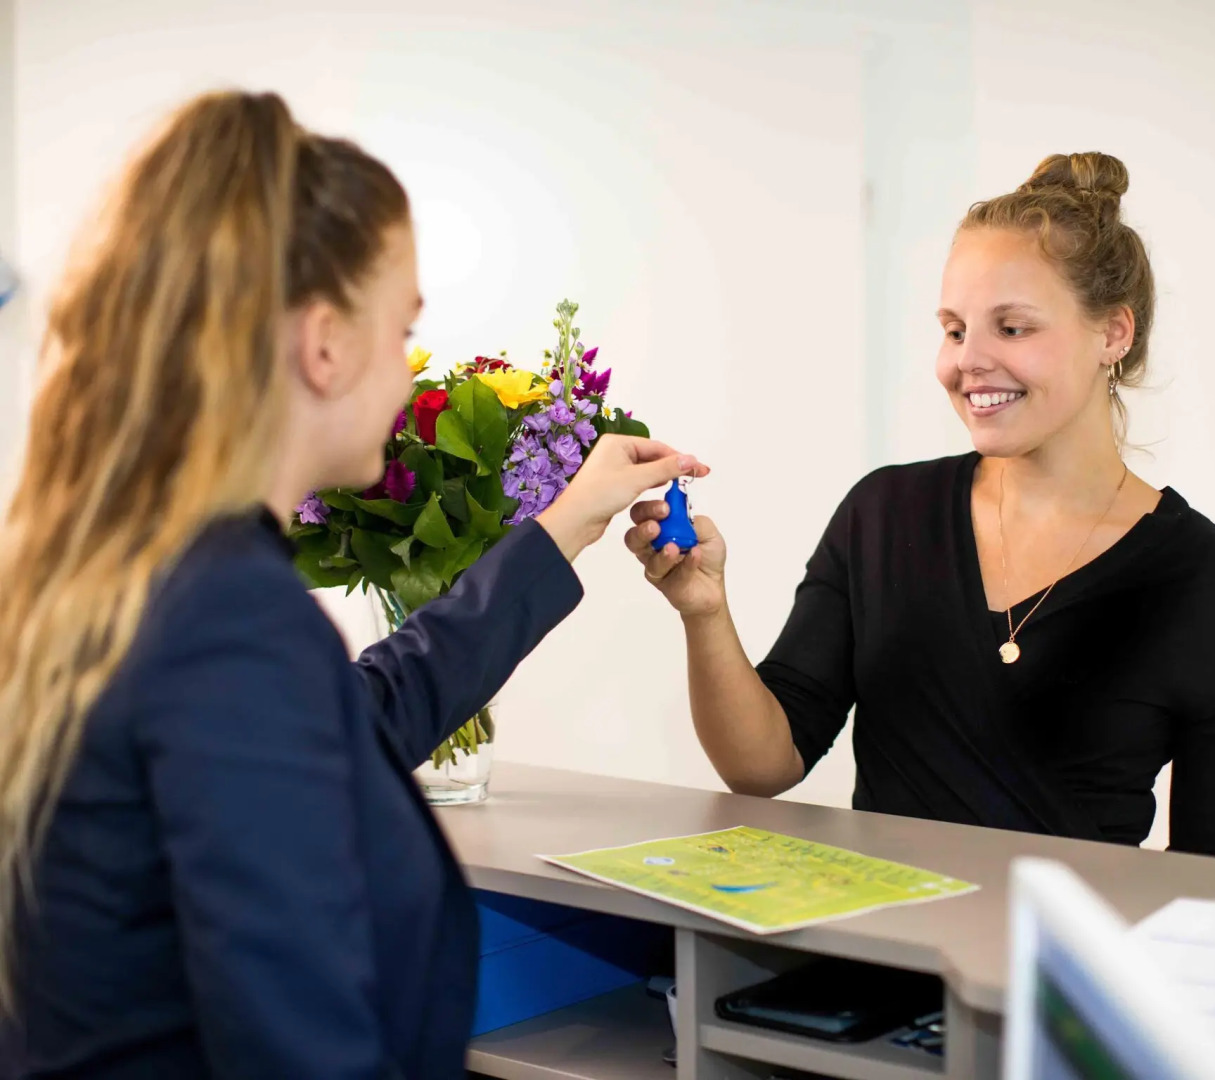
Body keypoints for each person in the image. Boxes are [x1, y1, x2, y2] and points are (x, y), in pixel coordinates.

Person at [0, 91, 705, 1079]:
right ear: (324, 344)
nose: (405, 369)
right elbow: (305, 1041)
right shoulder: (226, 617)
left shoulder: (129, 572)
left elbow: (356, 719)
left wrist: (561, 526)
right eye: (401, 328)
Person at [628, 152, 1215, 864]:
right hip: (874, 963)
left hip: (1038, 974)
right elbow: (763, 766)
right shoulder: (884, 514)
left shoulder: (1212, 587)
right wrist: (705, 611)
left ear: (1113, 335)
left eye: (1012, 327)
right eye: (954, 328)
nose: (966, 361)